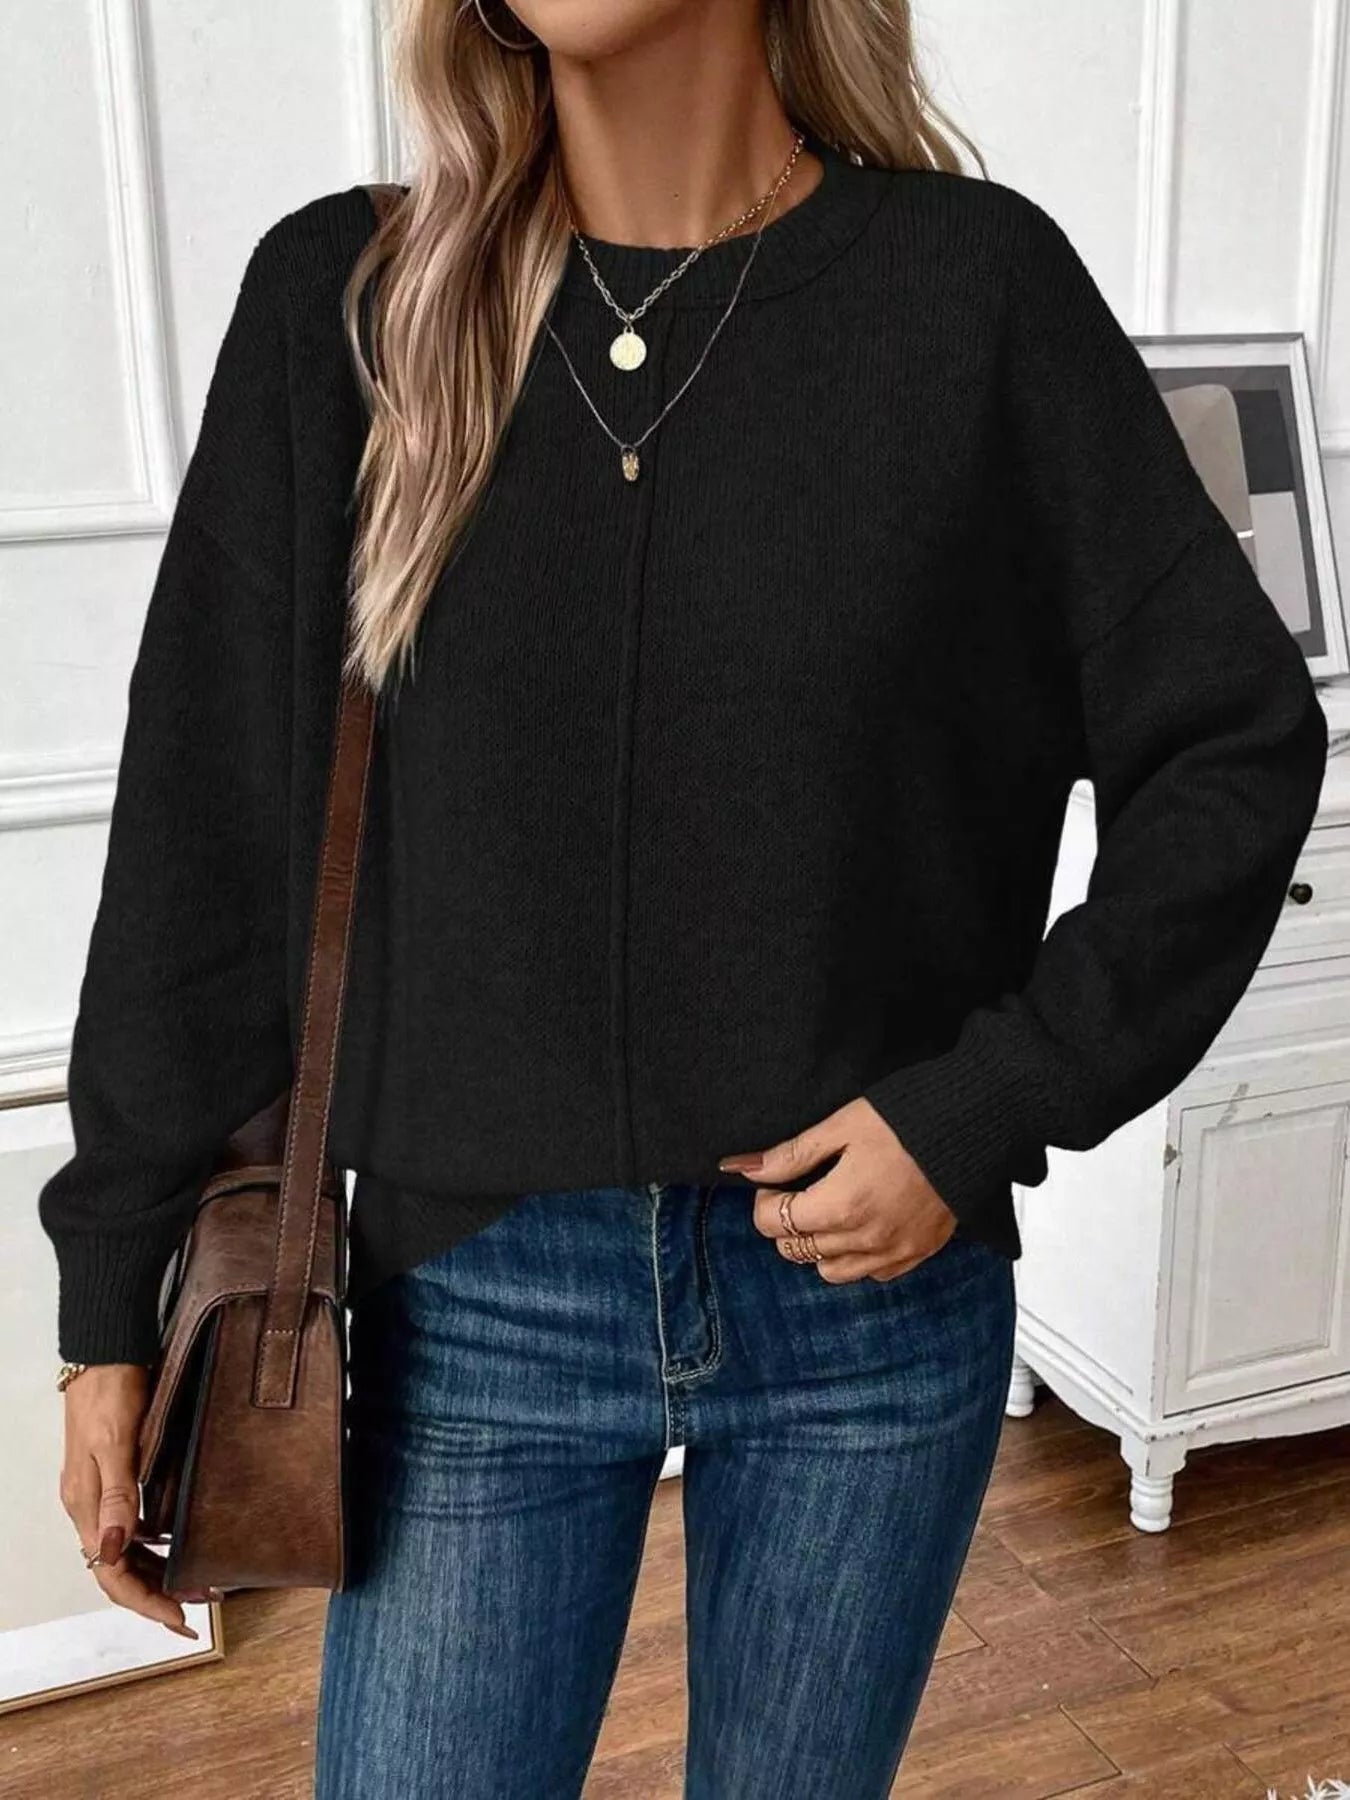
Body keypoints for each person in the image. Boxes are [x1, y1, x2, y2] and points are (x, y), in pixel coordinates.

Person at [39, 0, 1328, 1793]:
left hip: (869, 1303)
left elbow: (1232, 742)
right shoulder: (350, 300)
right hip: (466, 1301)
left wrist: (982, 1104)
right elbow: (202, 830)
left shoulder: (970, 293)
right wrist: (109, 1298)